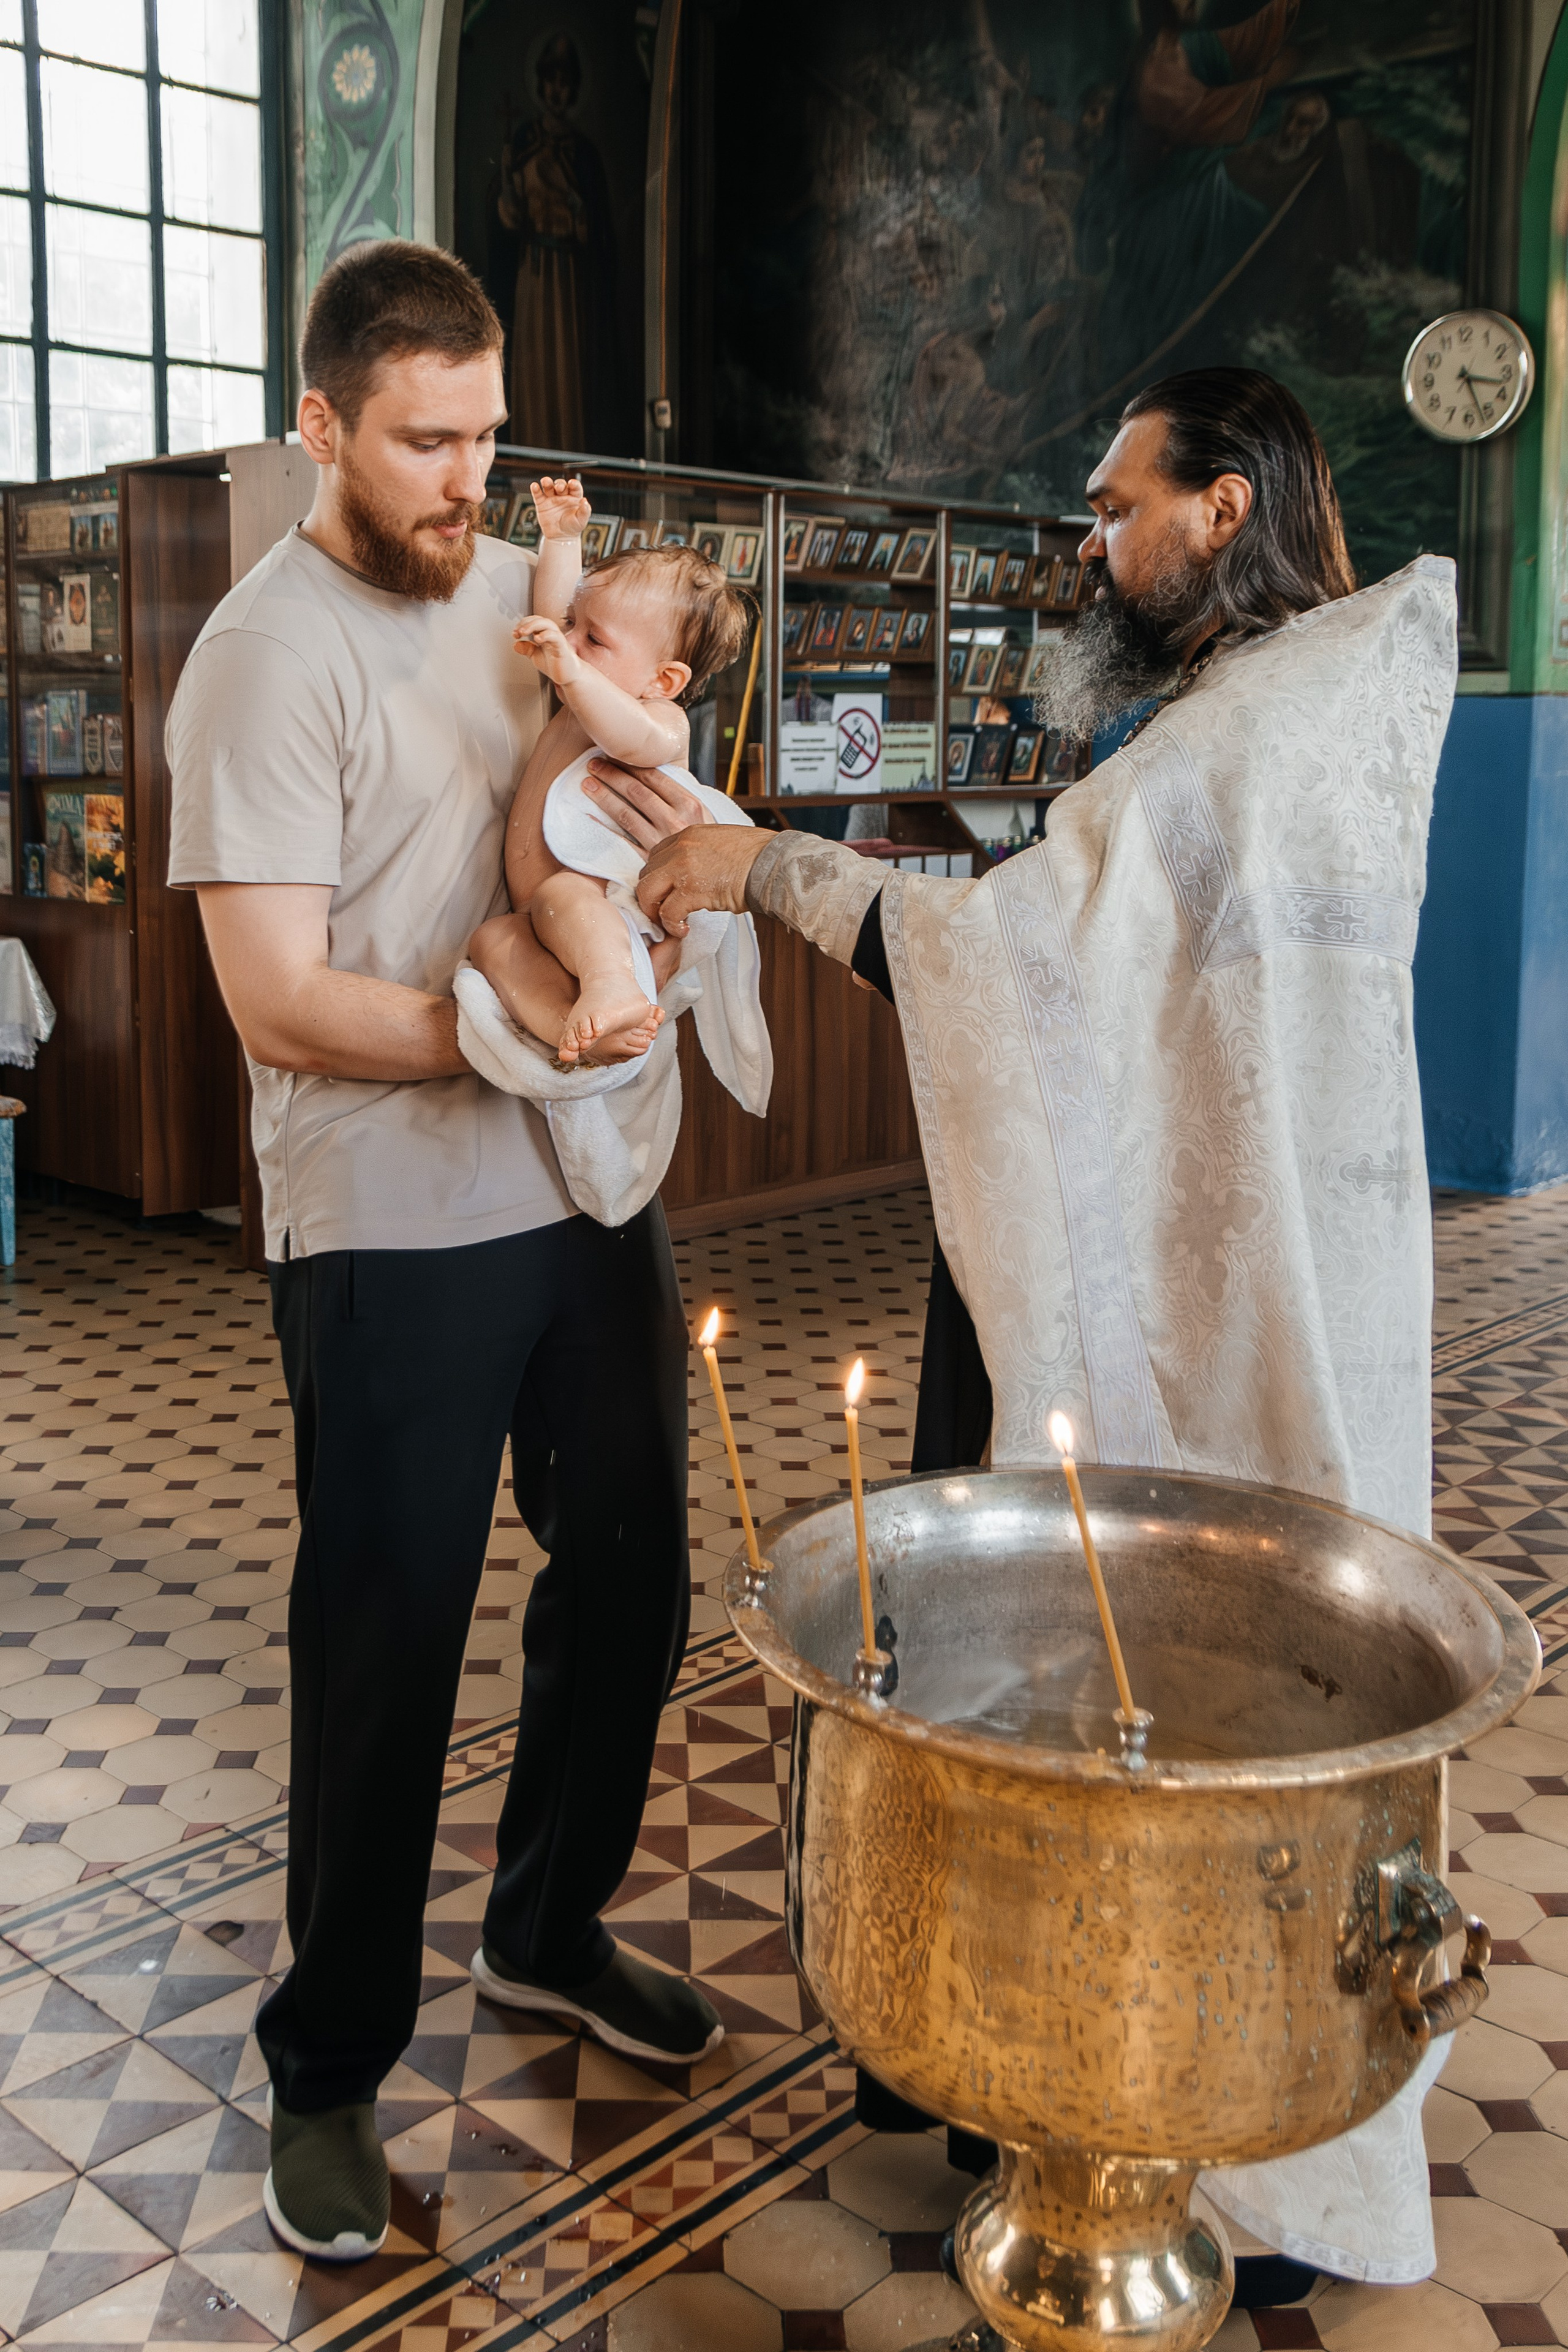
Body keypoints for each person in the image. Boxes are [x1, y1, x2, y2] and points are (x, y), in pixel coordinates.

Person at [611, 366, 1457, 2305]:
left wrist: (766, 864)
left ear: (1222, 506)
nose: (1087, 540)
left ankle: (1156, 2103)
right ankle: (1059, 2061)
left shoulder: (1258, 727)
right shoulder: (1280, 708)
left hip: (1170, 1300)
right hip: (1173, 1256)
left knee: (1128, 1671)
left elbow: (1009, 958)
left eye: (1113, 502)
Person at [166, 239, 721, 2267]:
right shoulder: (260, 653)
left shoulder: (521, 592)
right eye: (425, 443)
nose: (467, 481)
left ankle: (552, 1927)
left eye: (489, 436)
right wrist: (518, 1036)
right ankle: (328, 2071)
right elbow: (277, 1001)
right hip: (390, 1215)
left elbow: (613, 783)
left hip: (581, 1188)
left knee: (641, 1570)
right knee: (388, 1636)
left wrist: (667, 919)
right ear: (324, 423)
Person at [469, 491, 752, 1066]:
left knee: (566, 896)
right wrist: (563, 540)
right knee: (491, 942)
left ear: (665, 680)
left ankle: (613, 984)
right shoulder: (584, 689)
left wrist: (572, 672)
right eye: (576, 626)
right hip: (549, 913)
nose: (569, 642)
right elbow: (553, 617)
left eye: (594, 639)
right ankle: (578, 1031)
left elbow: (628, 738)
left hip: (606, 900)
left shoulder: (661, 723)